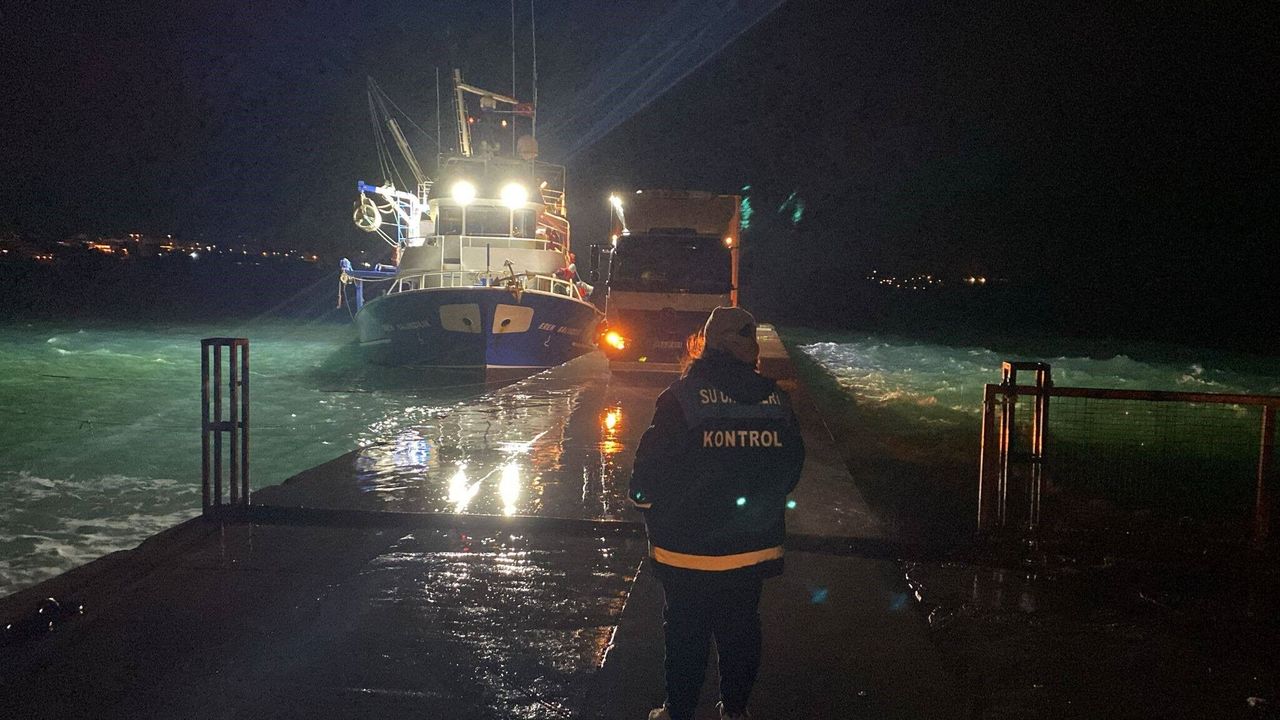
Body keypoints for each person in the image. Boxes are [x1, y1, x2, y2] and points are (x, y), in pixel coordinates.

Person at [629, 306, 806, 720]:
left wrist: (647, 504)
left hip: (686, 549)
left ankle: (679, 712)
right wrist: (761, 505)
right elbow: (792, 467)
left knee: (685, 633)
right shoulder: (777, 400)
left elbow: (647, 472)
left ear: (705, 345)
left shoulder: (681, 398)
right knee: (741, 629)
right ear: (752, 349)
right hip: (751, 547)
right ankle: (736, 711)